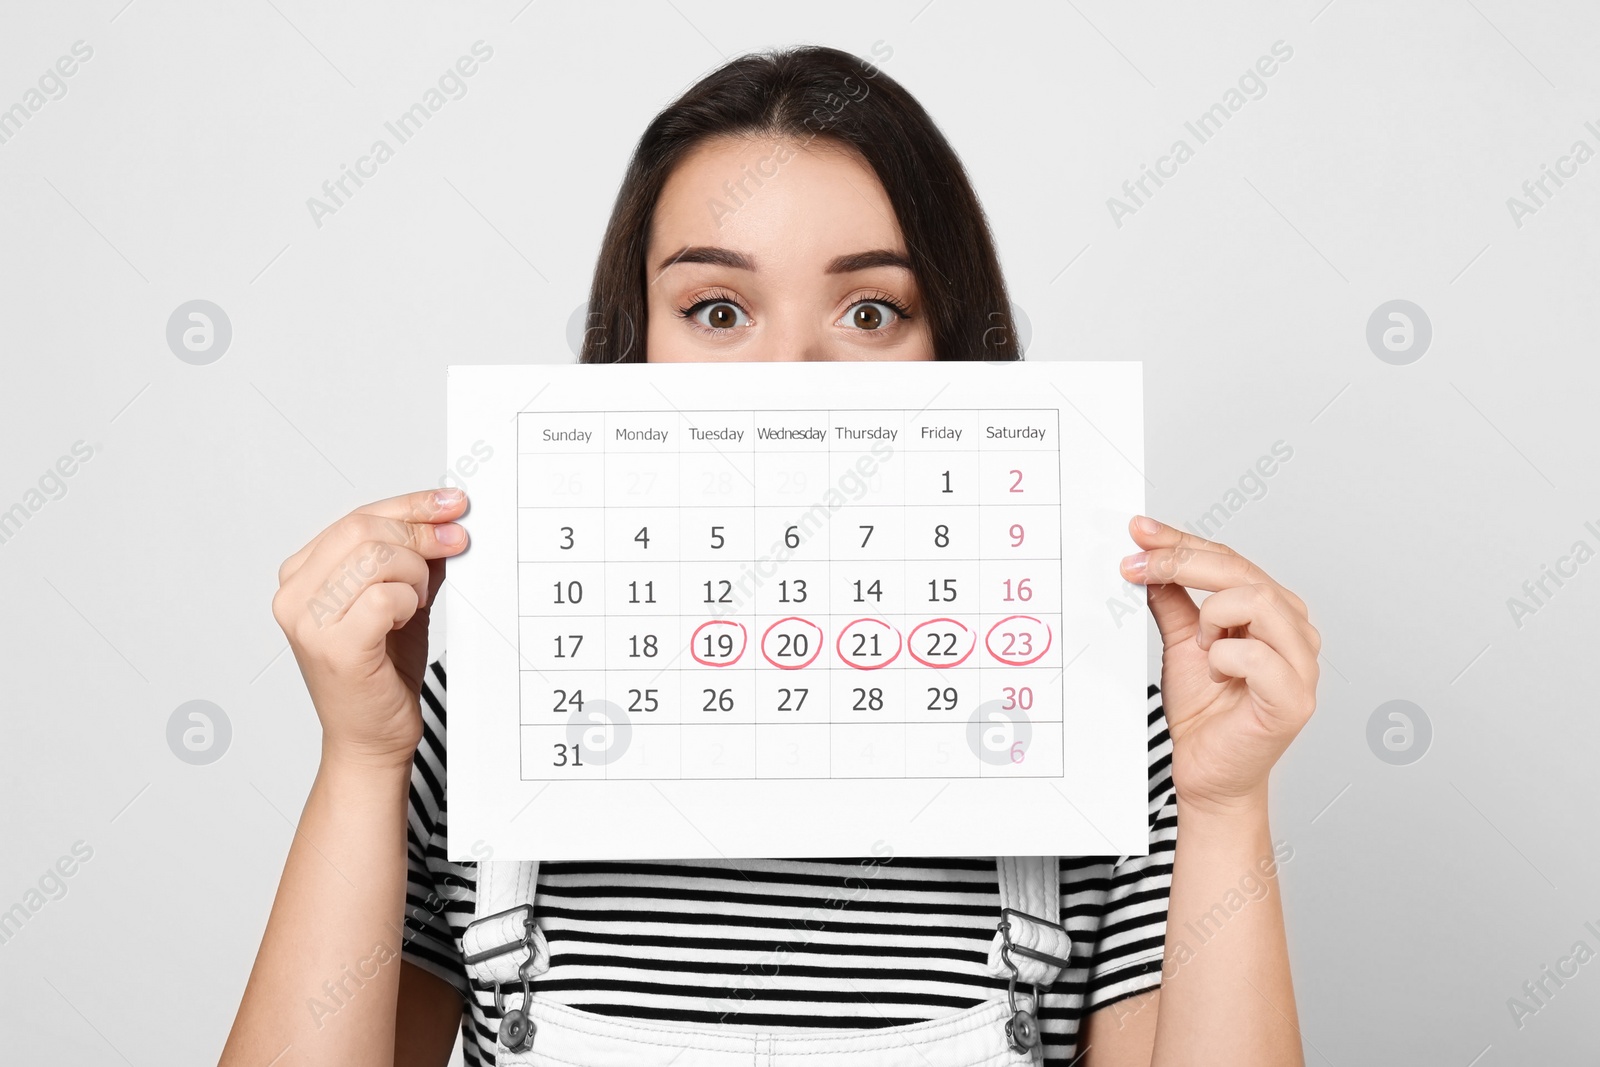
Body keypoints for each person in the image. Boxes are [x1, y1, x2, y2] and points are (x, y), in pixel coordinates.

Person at [222, 45, 1318, 1066]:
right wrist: (363, 762)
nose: (790, 370)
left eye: (872, 310)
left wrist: (1227, 807)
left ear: (958, 347)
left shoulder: (1107, 744)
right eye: (717, 307)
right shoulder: (486, 719)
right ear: (633, 343)